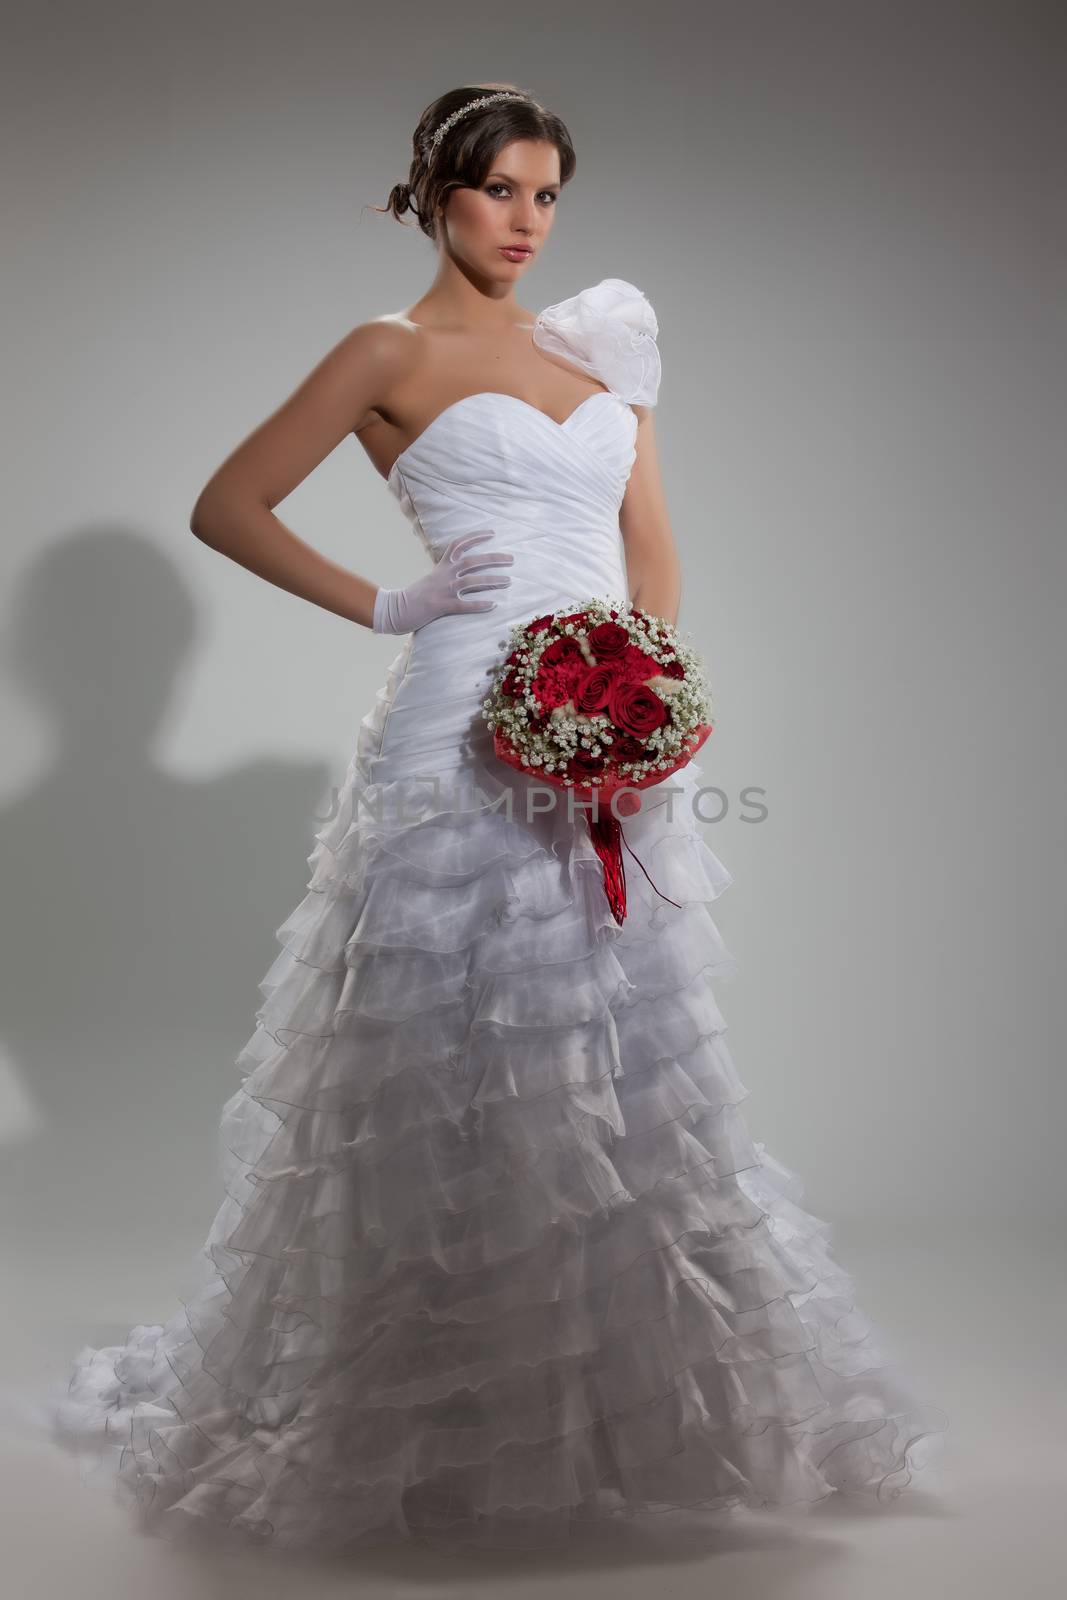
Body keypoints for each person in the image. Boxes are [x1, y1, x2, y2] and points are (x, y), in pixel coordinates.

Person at [40, 82, 948, 1553]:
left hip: (601, 716)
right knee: (448, 1048)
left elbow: (651, 549)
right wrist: (386, 602)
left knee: (612, 1050)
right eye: (499, 193)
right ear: (435, 195)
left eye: (546, 196)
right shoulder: (383, 352)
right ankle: (426, 1408)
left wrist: (642, 699)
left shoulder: (599, 348)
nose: (525, 224)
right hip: (459, 717)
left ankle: (611, 1403)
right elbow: (230, 503)